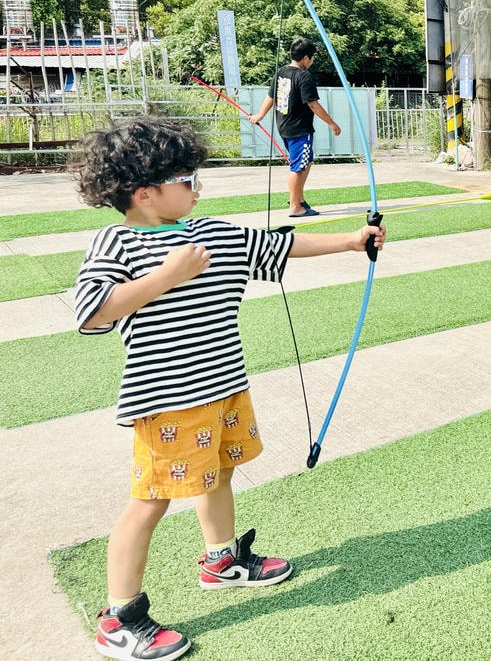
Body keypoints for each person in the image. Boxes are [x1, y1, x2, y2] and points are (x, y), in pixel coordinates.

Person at [71, 116, 385, 661]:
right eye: (186, 179)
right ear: (146, 194)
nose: (197, 186)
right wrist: (166, 276)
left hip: (224, 388)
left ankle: (222, 560)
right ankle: (119, 618)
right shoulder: (115, 241)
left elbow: (280, 246)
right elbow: (92, 312)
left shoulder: (211, 232)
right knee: (149, 501)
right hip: (167, 401)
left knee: (221, 472)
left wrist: (353, 241)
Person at [249, 36, 342, 218]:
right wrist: (332, 123)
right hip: (300, 128)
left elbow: (270, 96)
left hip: (284, 126)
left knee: (306, 162)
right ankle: (294, 206)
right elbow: (313, 104)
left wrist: (260, 115)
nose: (312, 61)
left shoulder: (281, 72)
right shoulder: (304, 76)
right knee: (298, 166)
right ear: (306, 58)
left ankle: (298, 199)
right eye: (312, 57)